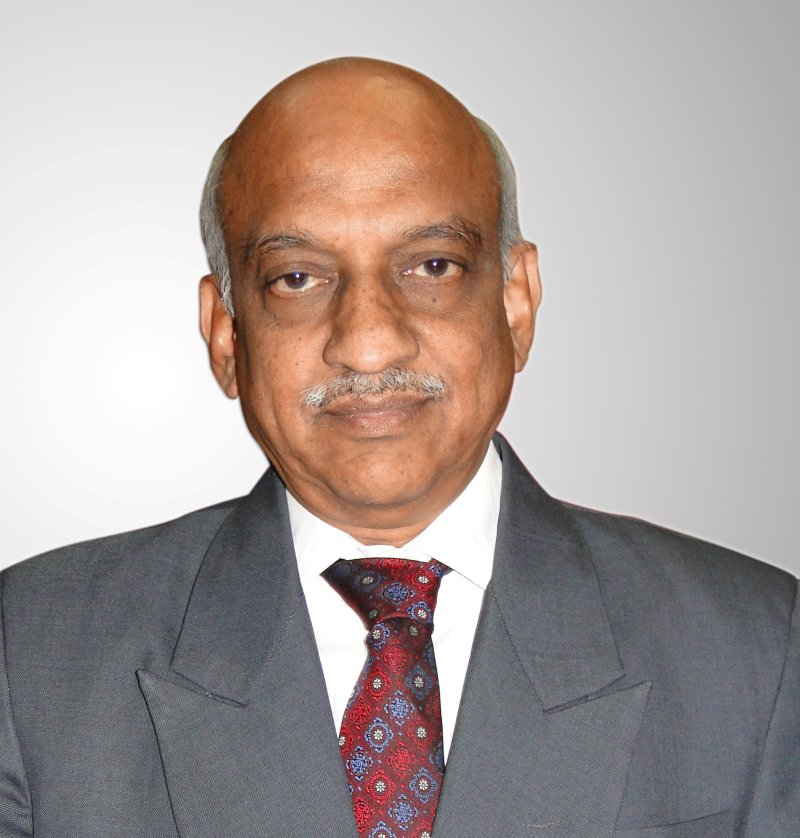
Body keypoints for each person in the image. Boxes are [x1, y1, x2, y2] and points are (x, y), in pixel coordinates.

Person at [0, 57, 797, 838]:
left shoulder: (756, 656)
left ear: (516, 304)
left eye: (431, 266)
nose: (369, 343)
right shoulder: (29, 659)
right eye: (296, 278)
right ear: (225, 335)